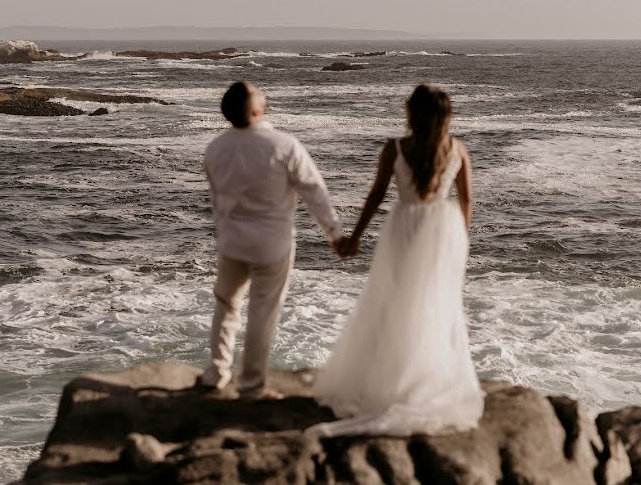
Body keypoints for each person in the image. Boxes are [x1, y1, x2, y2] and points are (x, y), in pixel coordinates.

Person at [308, 83, 483, 436]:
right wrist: (461, 237)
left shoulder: (396, 148)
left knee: (396, 301)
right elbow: (466, 200)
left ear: (411, 113)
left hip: (405, 225)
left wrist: (354, 237)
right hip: (444, 230)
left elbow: (375, 196)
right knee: (439, 303)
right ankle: (429, 377)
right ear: (446, 116)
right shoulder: (456, 149)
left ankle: (392, 377)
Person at [201, 81, 343, 399]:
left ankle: (217, 371)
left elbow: (216, 200)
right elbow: (314, 191)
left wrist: (223, 233)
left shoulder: (216, 148)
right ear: (255, 109)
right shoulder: (283, 144)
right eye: (259, 94)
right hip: (272, 244)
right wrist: (333, 233)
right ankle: (251, 386)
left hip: (232, 242)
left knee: (225, 305)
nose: (265, 95)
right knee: (262, 312)